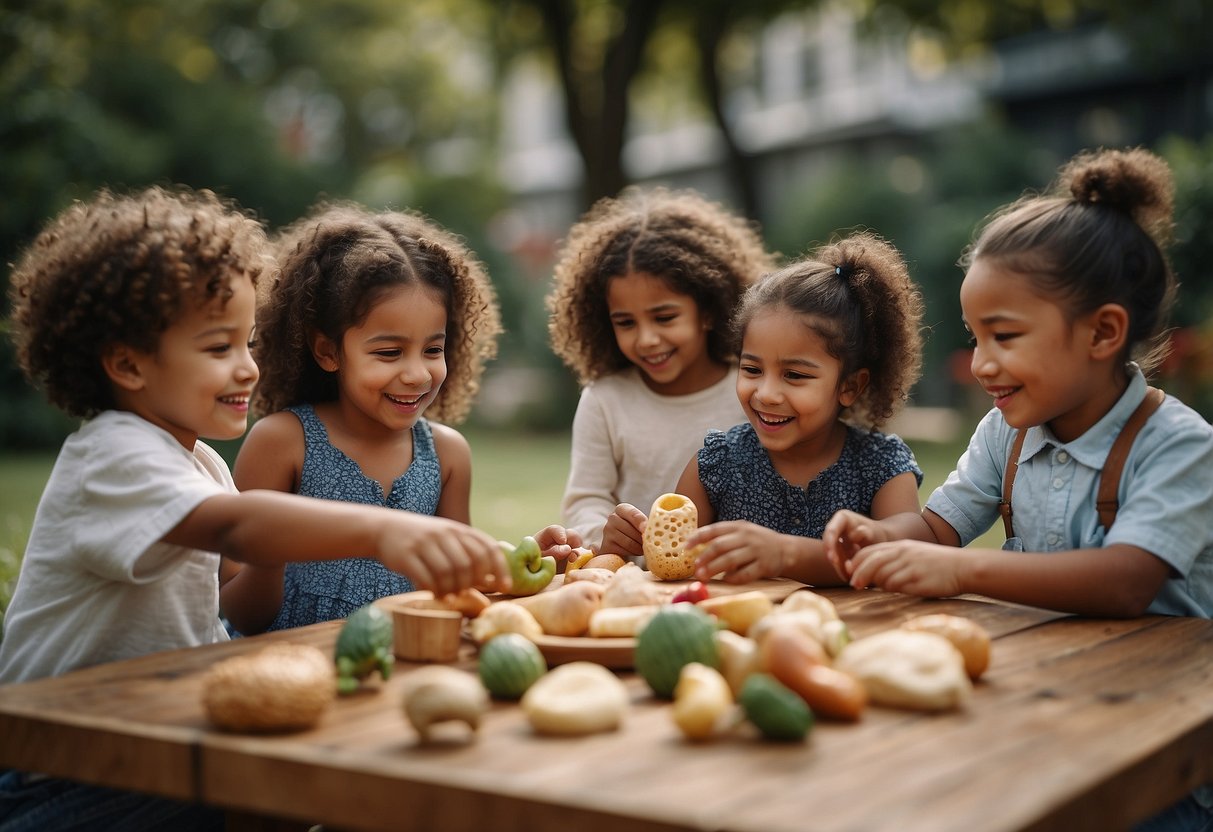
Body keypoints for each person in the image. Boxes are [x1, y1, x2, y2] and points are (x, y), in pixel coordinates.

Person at [0, 186, 509, 831]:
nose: (248, 369)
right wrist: (385, 529)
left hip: (149, 746)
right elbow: (240, 526)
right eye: (218, 349)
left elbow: (221, 613)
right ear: (127, 363)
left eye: (247, 344)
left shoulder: (198, 461)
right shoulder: (113, 456)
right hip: (64, 774)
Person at [823, 147, 1213, 832]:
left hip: (1159, 749)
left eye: (1002, 336)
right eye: (975, 338)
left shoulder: (1177, 446)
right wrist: (884, 537)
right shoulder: (1007, 431)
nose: (980, 365)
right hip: (1049, 701)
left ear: (1102, 331)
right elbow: (941, 526)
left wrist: (957, 570)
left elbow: (1126, 581)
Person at [219, 203, 580, 635]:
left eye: (432, 350)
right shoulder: (282, 442)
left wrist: (520, 566)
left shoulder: (446, 455)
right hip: (292, 674)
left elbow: (456, 586)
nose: (416, 373)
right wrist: (269, 556)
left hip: (404, 669)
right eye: (389, 352)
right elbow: (238, 613)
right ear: (328, 352)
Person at [640, 232, 924, 584]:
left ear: (849, 386)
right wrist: (634, 541)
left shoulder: (880, 466)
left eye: (794, 375)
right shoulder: (716, 465)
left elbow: (911, 546)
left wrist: (785, 554)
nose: (767, 393)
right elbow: (673, 560)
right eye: (752, 369)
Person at [546, 186, 776, 558]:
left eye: (664, 317)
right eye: (625, 322)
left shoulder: (754, 389)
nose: (647, 339)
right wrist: (603, 534)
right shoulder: (605, 399)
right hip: (636, 586)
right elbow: (584, 500)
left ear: (707, 310)